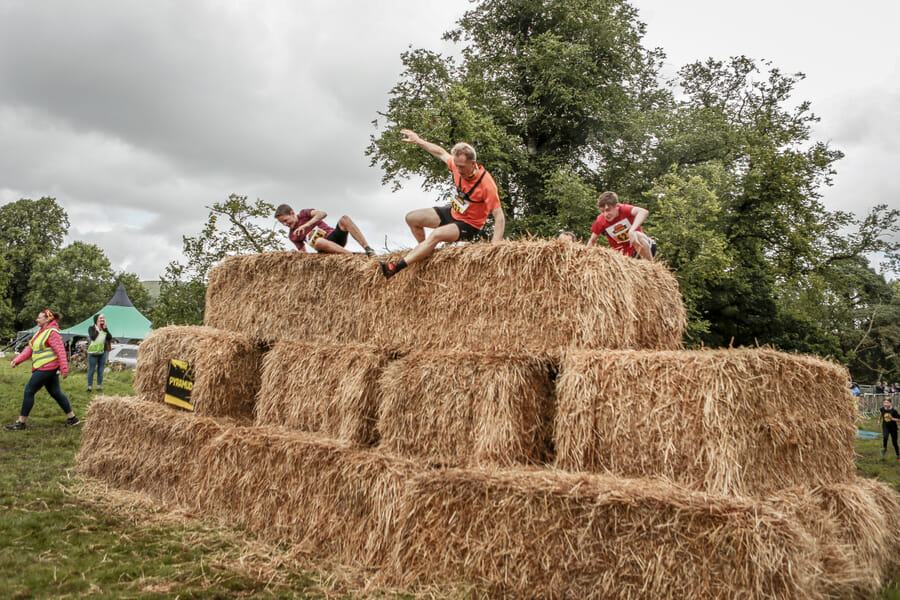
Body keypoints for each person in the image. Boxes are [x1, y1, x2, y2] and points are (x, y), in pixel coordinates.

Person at [380, 129, 506, 279]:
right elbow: (440, 152)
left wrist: (494, 249)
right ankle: (425, 254)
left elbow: (499, 217)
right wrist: (418, 140)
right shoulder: (456, 165)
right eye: (456, 166)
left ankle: (395, 267)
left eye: (462, 167)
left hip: (469, 225)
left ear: (473, 163)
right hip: (453, 212)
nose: (458, 170)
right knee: (412, 218)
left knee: (436, 235)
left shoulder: (486, 184)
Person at [5, 309, 79, 431]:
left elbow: (60, 351)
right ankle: (72, 418)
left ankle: (21, 422)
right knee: (56, 393)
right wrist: (17, 360)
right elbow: (30, 349)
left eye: (39, 318)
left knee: (29, 390)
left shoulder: (52, 333)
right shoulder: (40, 332)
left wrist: (64, 369)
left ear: (47, 319)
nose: (36, 320)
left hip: (47, 367)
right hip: (43, 367)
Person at [275, 205, 376, 256]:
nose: (285, 224)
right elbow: (305, 254)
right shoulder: (292, 235)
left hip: (334, 236)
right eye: (282, 223)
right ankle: (352, 255)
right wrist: (295, 253)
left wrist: (306, 225)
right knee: (318, 241)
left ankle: (367, 248)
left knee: (344, 219)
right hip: (323, 247)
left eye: (285, 220)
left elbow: (322, 214)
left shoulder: (304, 214)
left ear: (292, 213)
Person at [586, 191, 656, 260]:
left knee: (636, 234)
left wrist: (632, 230)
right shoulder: (601, 220)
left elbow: (643, 212)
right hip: (625, 257)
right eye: (602, 211)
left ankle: (651, 266)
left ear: (617, 206)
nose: (606, 214)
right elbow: (592, 241)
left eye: (608, 210)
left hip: (642, 246)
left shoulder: (624, 209)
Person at [86, 313, 113, 393]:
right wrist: (98, 327)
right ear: (96, 319)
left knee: (100, 370)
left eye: (103, 318)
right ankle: (89, 387)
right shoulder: (91, 328)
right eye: (100, 318)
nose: (102, 319)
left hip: (103, 351)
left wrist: (105, 329)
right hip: (93, 352)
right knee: (92, 370)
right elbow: (93, 337)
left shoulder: (104, 329)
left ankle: (99, 387)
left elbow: (110, 337)